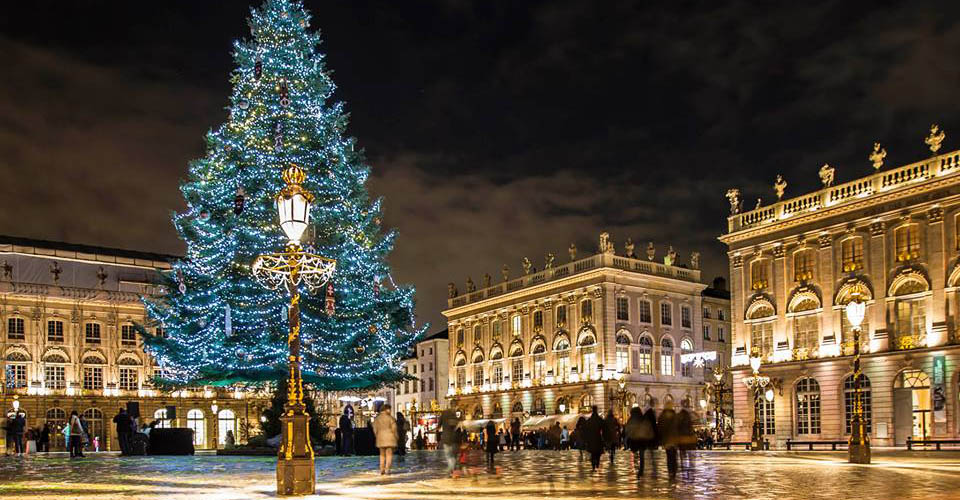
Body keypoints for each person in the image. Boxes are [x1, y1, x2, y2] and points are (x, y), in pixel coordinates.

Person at [624, 406, 656, 475]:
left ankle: (636, 467)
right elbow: (647, 427)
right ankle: (641, 469)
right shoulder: (642, 418)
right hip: (642, 440)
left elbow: (627, 429)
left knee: (635, 454)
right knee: (641, 456)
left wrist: (628, 436)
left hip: (634, 440)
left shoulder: (631, 419)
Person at [372, 404, 398, 475]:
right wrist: (396, 437)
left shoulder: (377, 418)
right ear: (387, 409)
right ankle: (387, 469)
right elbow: (394, 429)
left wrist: (377, 435)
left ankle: (381, 469)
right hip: (390, 438)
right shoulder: (391, 418)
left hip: (380, 438)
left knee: (382, 455)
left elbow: (374, 429)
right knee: (389, 454)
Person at [657, 402, 679, 478]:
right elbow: (678, 428)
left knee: (669, 456)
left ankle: (670, 472)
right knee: (674, 456)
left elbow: (659, 429)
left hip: (666, 440)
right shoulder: (675, 416)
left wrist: (660, 440)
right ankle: (674, 471)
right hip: (675, 439)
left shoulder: (662, 416)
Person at [582, 406, 605, 471]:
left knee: (592, 453)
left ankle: (593, 466)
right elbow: (604, 428)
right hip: (598, 437)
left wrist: (586, 439)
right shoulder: (599, 419)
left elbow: (585, 430)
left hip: (591, 438)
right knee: (598, 452)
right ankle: (597, 462)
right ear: (596, 410)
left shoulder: (589, 420)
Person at [439, 409, 459, 475]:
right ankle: (453, 469)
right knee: (453, 455)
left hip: (446, 438)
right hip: (454, 438)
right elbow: (457, 426)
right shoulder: (454, 416)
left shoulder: (443, 415)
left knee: (449, 456)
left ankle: (451, 469)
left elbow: (439, 426)